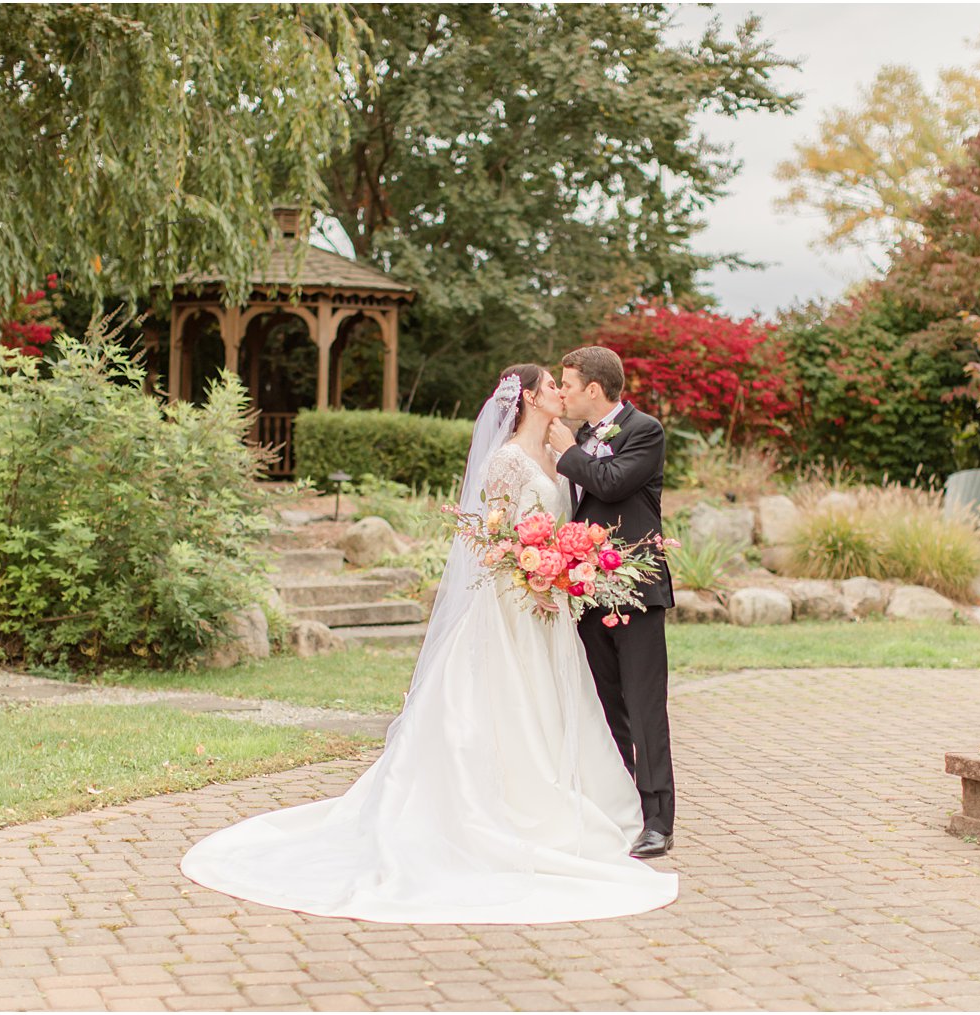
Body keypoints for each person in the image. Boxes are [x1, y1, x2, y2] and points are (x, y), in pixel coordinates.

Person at [180, 365, 677, 924]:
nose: (560, 393)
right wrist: (528, 566)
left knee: (575, 706)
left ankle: (617, 810)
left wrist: (560, 564)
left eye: (567, 383)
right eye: (551, 386)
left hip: (559, 604)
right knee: (513, 705)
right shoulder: (509, 459)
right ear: (531, 399)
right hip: (516, 604)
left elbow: (594, 501)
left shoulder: (580, 446)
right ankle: (510, 810)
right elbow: (490, 532)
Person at [548, 346, 676, 859]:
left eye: (568, 384)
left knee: (645, 707)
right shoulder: (577, 437)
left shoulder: (645, 431)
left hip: (637, 592)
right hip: (586, 590)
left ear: (594, 390)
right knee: (605, 705)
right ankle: (620, 807)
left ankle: (658, 821)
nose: (563, 392)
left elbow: (611, 481)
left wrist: (565, 452)